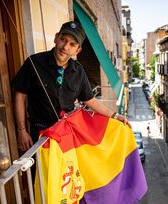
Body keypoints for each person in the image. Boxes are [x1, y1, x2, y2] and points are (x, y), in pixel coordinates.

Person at [12, 21, 130, 151]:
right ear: (56, 38)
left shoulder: (78, 71)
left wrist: (115, 115)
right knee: (43, 171)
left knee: (68, 170)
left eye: (72, 44)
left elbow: (89, 100)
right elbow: (20, 95)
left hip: (66, 134)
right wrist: (21, 130)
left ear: (77, 50)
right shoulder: (34, 62)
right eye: (63, 39)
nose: (65, 47)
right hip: (40, 135)